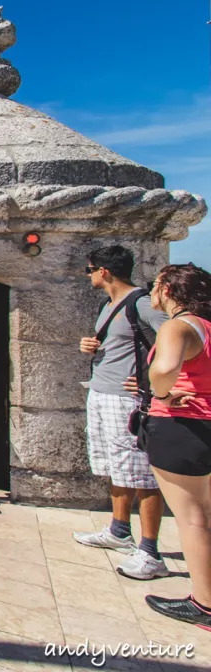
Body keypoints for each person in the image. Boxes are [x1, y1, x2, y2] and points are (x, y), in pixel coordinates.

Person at [73, 246, 168, 580]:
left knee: (143, 476)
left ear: (104, 272)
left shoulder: (141, 303)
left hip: (127, 401)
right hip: (101, 392)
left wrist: (149, 379)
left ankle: (151, 552)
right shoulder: (109, 305)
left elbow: (178, 338)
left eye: (89, 271)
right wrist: (92, 346)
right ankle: (119, 530)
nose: (89, 277)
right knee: (117, 467)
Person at [138, 264, 211, 629]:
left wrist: (161, 392)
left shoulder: (177, 326)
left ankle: (204, 604)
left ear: (167, 290)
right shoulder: (208, 328)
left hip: (182, 427)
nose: (151, 291)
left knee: (191, 518)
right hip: (206, 425)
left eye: (155, 284)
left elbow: (165, 369)